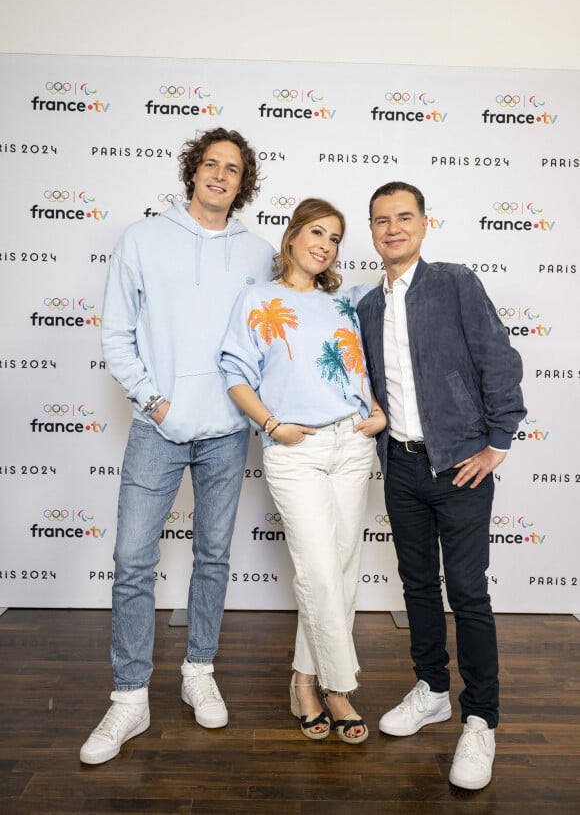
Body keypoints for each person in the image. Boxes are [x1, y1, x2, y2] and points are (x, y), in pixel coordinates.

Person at [80, 128, 275, 765]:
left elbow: (272, 340)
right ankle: (130, 696)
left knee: (213, 556)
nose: (220, 175)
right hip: (156, 428)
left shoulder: (259, 253)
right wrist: (152, 398)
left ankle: (199, 672)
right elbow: (115, 332)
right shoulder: (142, 239)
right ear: (193, 172)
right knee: (133, 560)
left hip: (226, 431)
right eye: (211, 164)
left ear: (244, 183)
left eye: (233, 168)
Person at [357, 181, 526, 788]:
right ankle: (431, 689)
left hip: (460, 464)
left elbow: (498, 359)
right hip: (400, 465)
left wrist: (498, 441)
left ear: (425, 224)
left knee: (467, 592)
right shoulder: (366, 306)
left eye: (404, 217)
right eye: (381, 220)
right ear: (371, 230)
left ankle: (481, 718)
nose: (393, 228)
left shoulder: (455, 282)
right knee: (418, 587)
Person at [219, 198, 387, 744]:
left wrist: (377, 410)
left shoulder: (345, 304)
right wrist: (272, 425)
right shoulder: (258, 299)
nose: (325, 245)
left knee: (338, 571)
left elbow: (368, 364)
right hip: (295, 449)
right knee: (317, 570)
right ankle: (338, 687)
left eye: (335, 238)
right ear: (291, 236)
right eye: (317, 232)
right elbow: (235, 372)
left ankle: (304, 681)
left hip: (352, 446)